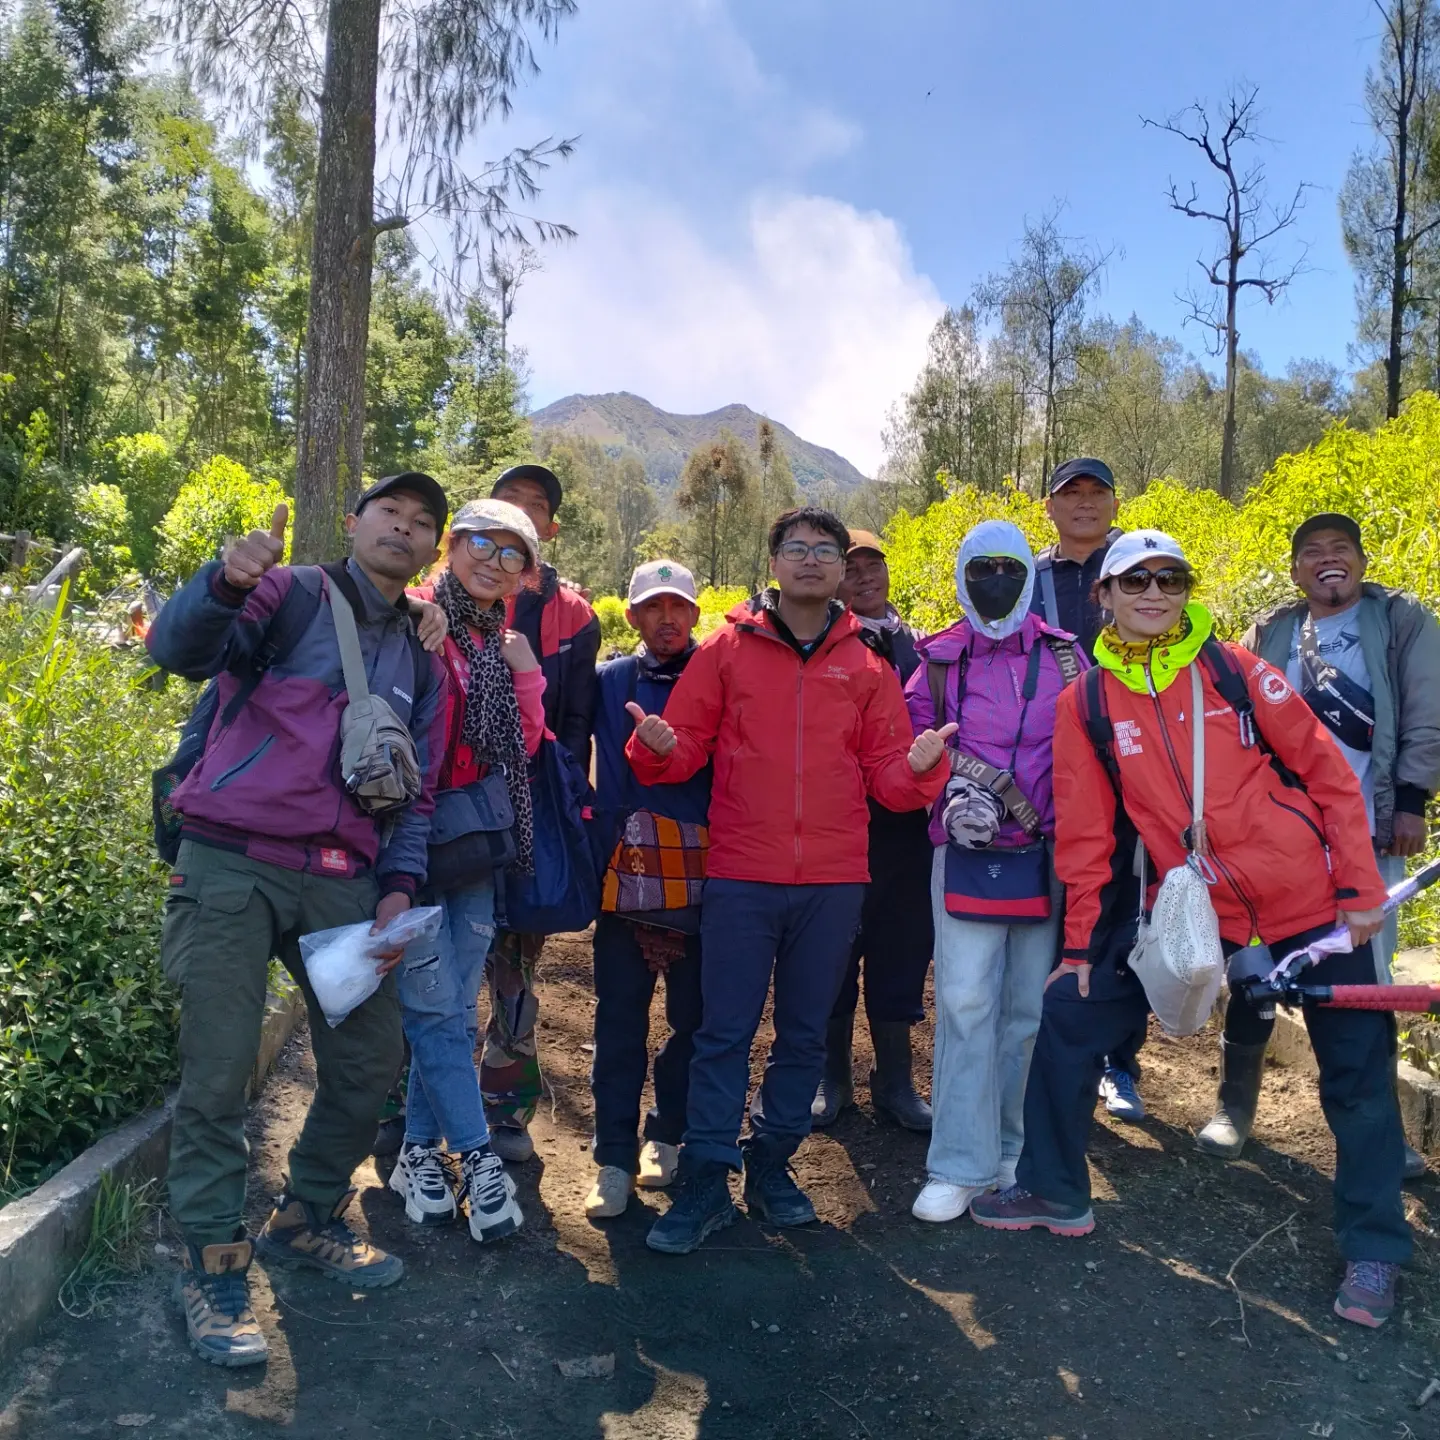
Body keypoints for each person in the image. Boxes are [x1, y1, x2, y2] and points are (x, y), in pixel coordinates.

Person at [973, 530, 1410, 1331]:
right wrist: (1080, 947)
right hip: (1195, 911)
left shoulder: (1233, 669)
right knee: (1071, 1010)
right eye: (1135, 580)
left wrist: (1357, 886)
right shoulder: (1088, 703)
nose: (1154, 593)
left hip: (1309, 900)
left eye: (1170, 579)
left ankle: (1375, 1247)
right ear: (1103, 595)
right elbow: (1086, 840)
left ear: (1184, 590)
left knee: (1357, 1071)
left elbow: (1326, 772)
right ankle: (1054, 1189)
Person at [147, 473, 450, 1367]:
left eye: (421, 522)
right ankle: (212, 1265)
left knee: (370, 1061)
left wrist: (399, 886)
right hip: (232, 863)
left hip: (343, 881)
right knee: (219, 1069)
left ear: (430, 550)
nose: (403, 527)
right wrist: (225, 581)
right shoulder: (288, 593)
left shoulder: (424, 657)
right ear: (352, 522)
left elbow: (418, 791)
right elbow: (179, 650)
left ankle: (306, 1214)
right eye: (389, 511)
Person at [625, 507, 955, 1256]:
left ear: (841, 568)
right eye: (797, 548)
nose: (811, 560)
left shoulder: (867, 665)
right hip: (742, 873)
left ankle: (772, 1164)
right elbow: (685, 751)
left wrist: (919, 769)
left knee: (805, 1033)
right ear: (774, 562)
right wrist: (658, 747)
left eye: (825, 550)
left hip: (834, 881)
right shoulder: (727, 651)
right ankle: (707, 1179)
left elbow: (888, 780)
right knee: (723, 1032)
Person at [1195, 513, 1440, 1176]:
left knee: (1367, 980)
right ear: (1296, 569)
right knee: (1255, 968)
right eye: (1312, 551)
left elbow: (1427, 711)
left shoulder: (1401, 622)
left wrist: (1412, 800)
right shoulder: (1272, 631)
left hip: (1366, 830)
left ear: (1360, 560)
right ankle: (1234, 1108)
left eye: (1340, 548)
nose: (1328, 559)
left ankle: (1379, 1131)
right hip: (1273, 841)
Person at [904, 520, 1082, 1221]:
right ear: (961, 577)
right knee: (965, 1003)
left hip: (1046, 856)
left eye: (1010, 568)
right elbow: (906, 759)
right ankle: (957, 1163)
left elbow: (1091, 752)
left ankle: (1014, 1151)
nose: (997, 582)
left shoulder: (1067, 657)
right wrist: (931, 775)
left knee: (1028, 1010)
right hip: (963, 856)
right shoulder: (938, 662)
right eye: (982, 570)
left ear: (1030, 576)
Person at [389, 499, 547, 1244]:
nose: (493, 561)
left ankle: (418, 1153)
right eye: (482, 543)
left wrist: (527, 675)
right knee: (436, 1007)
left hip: (475, 843)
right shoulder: (416, 618)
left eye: (512, 554)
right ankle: (476, 1158)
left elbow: (526, 744)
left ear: (524, 575)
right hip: (411, 839)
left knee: (450, 1007)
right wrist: (417, 620)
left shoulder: (497, 641)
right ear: (451, 546)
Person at [480, 462, 602, 1162]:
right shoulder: (434, 593)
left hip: (527, 812)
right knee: (427, 961)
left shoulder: (573, 614)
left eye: (535, 506)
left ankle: (506, 1109)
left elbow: (577, 720)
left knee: (516, 966)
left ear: (550, 529)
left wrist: (561, 813)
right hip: (441, 807)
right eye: (509, 501)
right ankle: (404, 1109)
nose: (521, 513)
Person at [584, 560, 709, 1218]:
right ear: (631, 616)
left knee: (694, 1019)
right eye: (653, 608)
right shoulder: (609, 682)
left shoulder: (716, 676)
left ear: (695, 614)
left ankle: (668, 1133)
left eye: (678, 607)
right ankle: (612, 1157)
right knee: (619, 1019)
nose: (668, 619)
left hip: (704, 874)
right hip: (625, 875)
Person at [1028, 456, 1145, 1124]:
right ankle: (1053, 1056)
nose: (1083, 503)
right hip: (1045, 773)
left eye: (1096, 491)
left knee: (1124, 915)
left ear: (1114, 503)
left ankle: (1119, 1063)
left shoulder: (1136, 570)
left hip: (1130, 767)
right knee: (1055, 912)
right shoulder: (1029, 578)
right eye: (1069, 493)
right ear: (1049, 506)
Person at [813, 529, 933, 1131]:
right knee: (832, 948)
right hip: (839, 821)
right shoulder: (822, 643)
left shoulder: (923, 646)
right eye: (852, 568)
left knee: (901, 949)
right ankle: (830, 1076)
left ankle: (895, 1082)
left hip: (906, 829)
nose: (864, 577)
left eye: (873, 565)